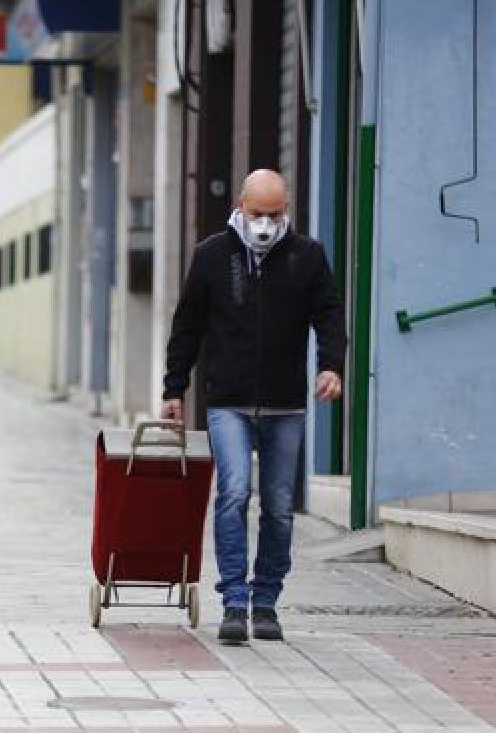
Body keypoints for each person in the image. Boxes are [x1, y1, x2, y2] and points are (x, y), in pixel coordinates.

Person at [161, 169, 346, 644]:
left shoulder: (307, 257)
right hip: (228, 402)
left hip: (286, 404)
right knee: (234, 493)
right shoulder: (211, 256)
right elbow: (188, 326)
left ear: (287, 211)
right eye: (257, 213)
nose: (265, 223)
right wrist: (173, 390)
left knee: (281, 507)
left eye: (274, 214)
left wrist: (330, 366)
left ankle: (265, 601)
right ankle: (233, 602)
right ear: (241, 206)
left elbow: (329, 314)